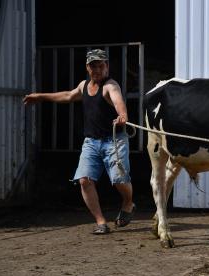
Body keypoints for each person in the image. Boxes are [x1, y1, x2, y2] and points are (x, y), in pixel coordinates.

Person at [23, 49, 135, 234]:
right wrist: (40, 96)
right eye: (93, 66)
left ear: (106, 66)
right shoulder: (84, 86)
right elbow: (67, 95)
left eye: (101, 66)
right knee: (84, 180)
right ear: (87, 67)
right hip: (91, 142)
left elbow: (118, 101)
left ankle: (128, 203)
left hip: (114, 141)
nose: (97, 70)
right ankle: (101, 223)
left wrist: (122, 115)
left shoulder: (110, 85)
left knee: (119, 180)